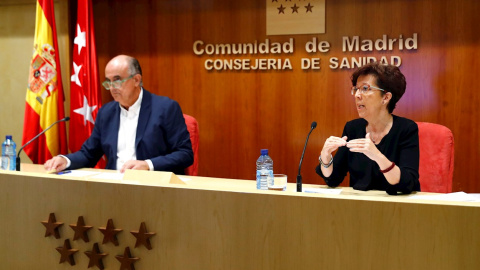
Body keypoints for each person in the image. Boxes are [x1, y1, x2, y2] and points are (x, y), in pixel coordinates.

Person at [44, 55, 193, 175]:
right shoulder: (106, 113)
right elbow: (89, 154)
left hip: (153, 188)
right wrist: (65, 160)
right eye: (108, 82)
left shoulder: (165, 108)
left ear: (136, 80)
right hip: (114, 189)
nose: (112, 87)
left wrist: (147, 165)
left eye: (117, 80)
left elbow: (185, 154)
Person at [316, 62, 420, 194]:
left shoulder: (406, 129)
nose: (357, 95)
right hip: (360, 208)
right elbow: (333, 179)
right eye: (356, 89)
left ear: (386, 97)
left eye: (365, 88)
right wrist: (325, 157)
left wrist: (376, 155)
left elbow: (407, 182)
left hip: (396, 208)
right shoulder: (353, 128)